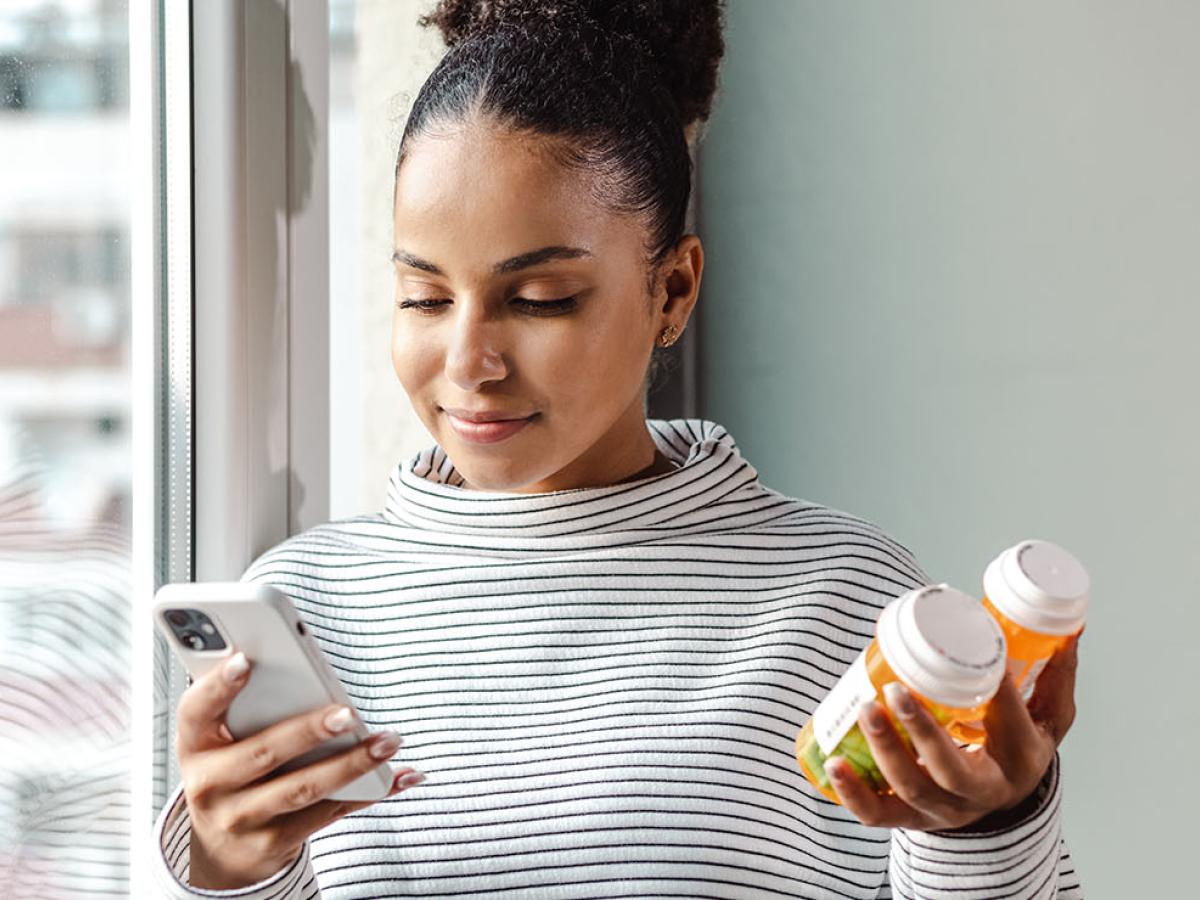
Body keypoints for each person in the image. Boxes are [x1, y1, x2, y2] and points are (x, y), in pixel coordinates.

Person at [152, 2, 1084, 896]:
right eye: (424, 298)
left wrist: (990, 831)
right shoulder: (306, 606)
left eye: (542, 299)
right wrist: (231, 876)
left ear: (672, 291)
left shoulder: (840, 600)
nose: (469, 362)